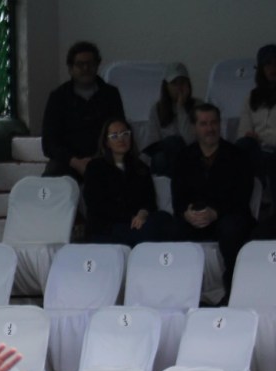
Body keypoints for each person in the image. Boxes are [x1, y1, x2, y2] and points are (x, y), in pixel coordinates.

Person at [171, 103, 254, 292]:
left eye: (214, 122)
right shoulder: (184, 157)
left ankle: (233, 289)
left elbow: (242, 196)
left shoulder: (237, 156)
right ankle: (182, 290)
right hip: (195, 218)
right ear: (194, 127)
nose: (210, 128)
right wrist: (187, 214)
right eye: (204, 124)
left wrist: (216, 213)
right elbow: (178, 198)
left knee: (232, 228)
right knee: (173, 229)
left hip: (227, 216)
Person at [82, 117, 174, 246]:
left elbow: (150, 201)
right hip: (107, 229)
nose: (121, 139)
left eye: (125, 134)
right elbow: (96, 204)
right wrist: (130, 217)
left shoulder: (141, 168)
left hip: (137, 224)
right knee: (150, 231)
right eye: (114, 136)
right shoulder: (95, 167)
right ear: (106, 142)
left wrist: (143, 213)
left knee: (164, 218)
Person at [41, 41, 125, 180]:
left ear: (97, 65)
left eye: (90, 63)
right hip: (68, 162)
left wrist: (98, 159)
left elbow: (119, 131)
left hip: (104, 158)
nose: (86, 68)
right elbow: (49, 143)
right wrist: (75, 161)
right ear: (70, 68)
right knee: (53, 176)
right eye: (80, 64)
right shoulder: (58, 97)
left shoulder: (110, 95)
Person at [142, 63, 203, 175]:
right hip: (166, 156)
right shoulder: (157, 109)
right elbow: (151, 144)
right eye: (174, 83)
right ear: (166, 86)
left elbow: (190, 140)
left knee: (175, 142)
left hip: (190, 154)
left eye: (182, 83)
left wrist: (180, 108)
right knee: (165, 151)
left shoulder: (198, 106)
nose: (179, 87)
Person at [235, 43, 276, 198]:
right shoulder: (252, 97)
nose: (273, 68)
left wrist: (261, 138)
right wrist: (251, 138)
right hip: (258, 151)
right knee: (244, 146)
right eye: (268, 64)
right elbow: (243, 132)